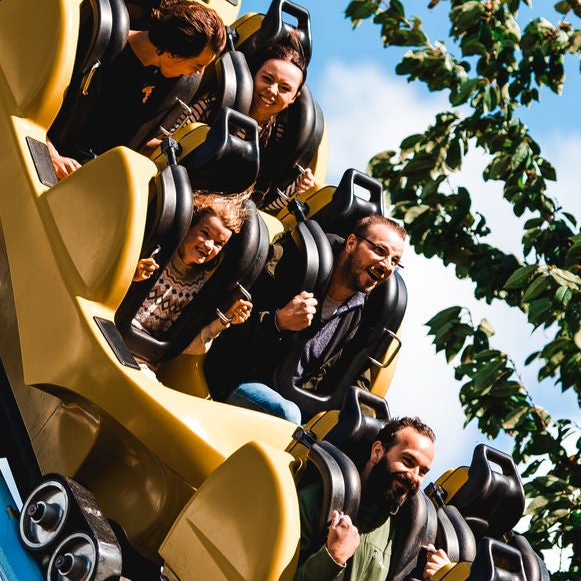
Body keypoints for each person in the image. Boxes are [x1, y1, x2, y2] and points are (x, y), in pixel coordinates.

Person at [207, 212, 406, 423]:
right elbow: (225, 323)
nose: (387, 266)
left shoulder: (364, 316)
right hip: (236, 377)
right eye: (379, 251)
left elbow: (356, 381)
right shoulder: (292, 262)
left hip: (297, 402)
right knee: (289, 414)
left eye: (395, 261)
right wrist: (278, 322)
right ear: (351, 243)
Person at [286, 416, 451, 581]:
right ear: (377, 451)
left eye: (422, 471)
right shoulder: (317, 501)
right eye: (407, 461)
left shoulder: (406, 538)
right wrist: (331, 557)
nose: (413, 476)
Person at [48, 0, 225, 171]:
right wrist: (50, 155)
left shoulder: (169, 82)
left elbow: (133, 141)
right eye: (198, 65)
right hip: (51, 152)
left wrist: (179, 151)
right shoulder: (101, 47)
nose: (199, 73)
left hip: (91, 171)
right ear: (172, 52)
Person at [180, 29, 316, 211]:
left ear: (294, 98)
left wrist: (296, 187)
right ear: (253, 75)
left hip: (229, 216)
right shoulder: (217, 104)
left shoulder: (279, 137)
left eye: (284, 88)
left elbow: (262, 206)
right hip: (185, 191)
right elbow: (171, 140)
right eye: (267, 79)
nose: (272, 90)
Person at [122, 192, 252, 363]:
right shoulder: (153, 252)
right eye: (205, 233)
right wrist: (131, 276)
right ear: (188, 224)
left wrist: (223, 320)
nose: (208, 246)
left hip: (142, 357)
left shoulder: (199, 287)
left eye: (219, 244)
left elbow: (185, 345)